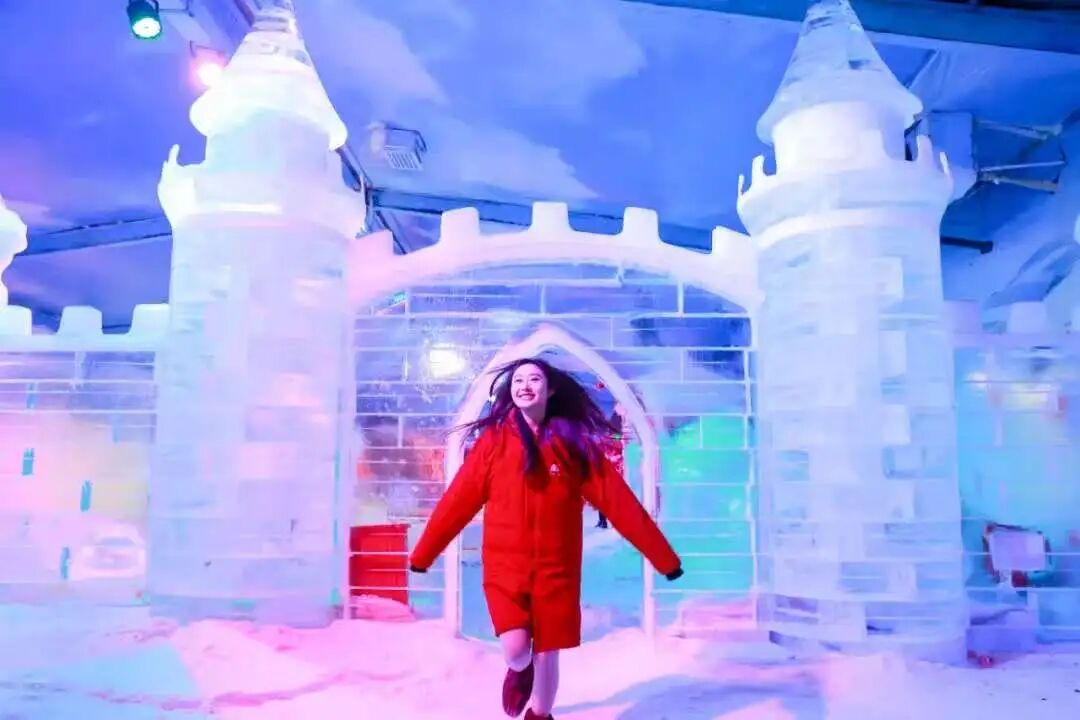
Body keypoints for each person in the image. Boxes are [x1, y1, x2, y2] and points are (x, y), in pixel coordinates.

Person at [409, 357, 683, 720]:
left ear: (550, 389)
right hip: (506, 569)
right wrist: (424, 554)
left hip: (557, 571)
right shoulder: (493, 443)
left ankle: (540, 715)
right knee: (517, 650)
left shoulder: (575, 446)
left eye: (534, 379)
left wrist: (664, 559)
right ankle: (519, 670)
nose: (525, 386)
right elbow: (456, 502)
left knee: (547, 651)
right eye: (518, 380)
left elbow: (621, 505)